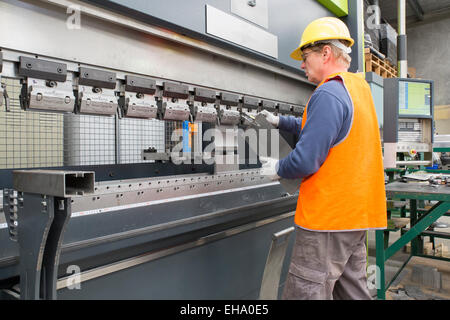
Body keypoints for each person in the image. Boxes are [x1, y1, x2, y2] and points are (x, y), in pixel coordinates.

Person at [259, 17, 387, 300]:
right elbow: (326, 130)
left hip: (326, 222)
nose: (302, 65)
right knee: (353, 291)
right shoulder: (356, 89)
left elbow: (306, 159)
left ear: (325, 53)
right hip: (354, 219)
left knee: (307, 292)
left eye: (305, 57)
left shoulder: (327, 92)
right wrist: (281, 121)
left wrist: (278, 168)